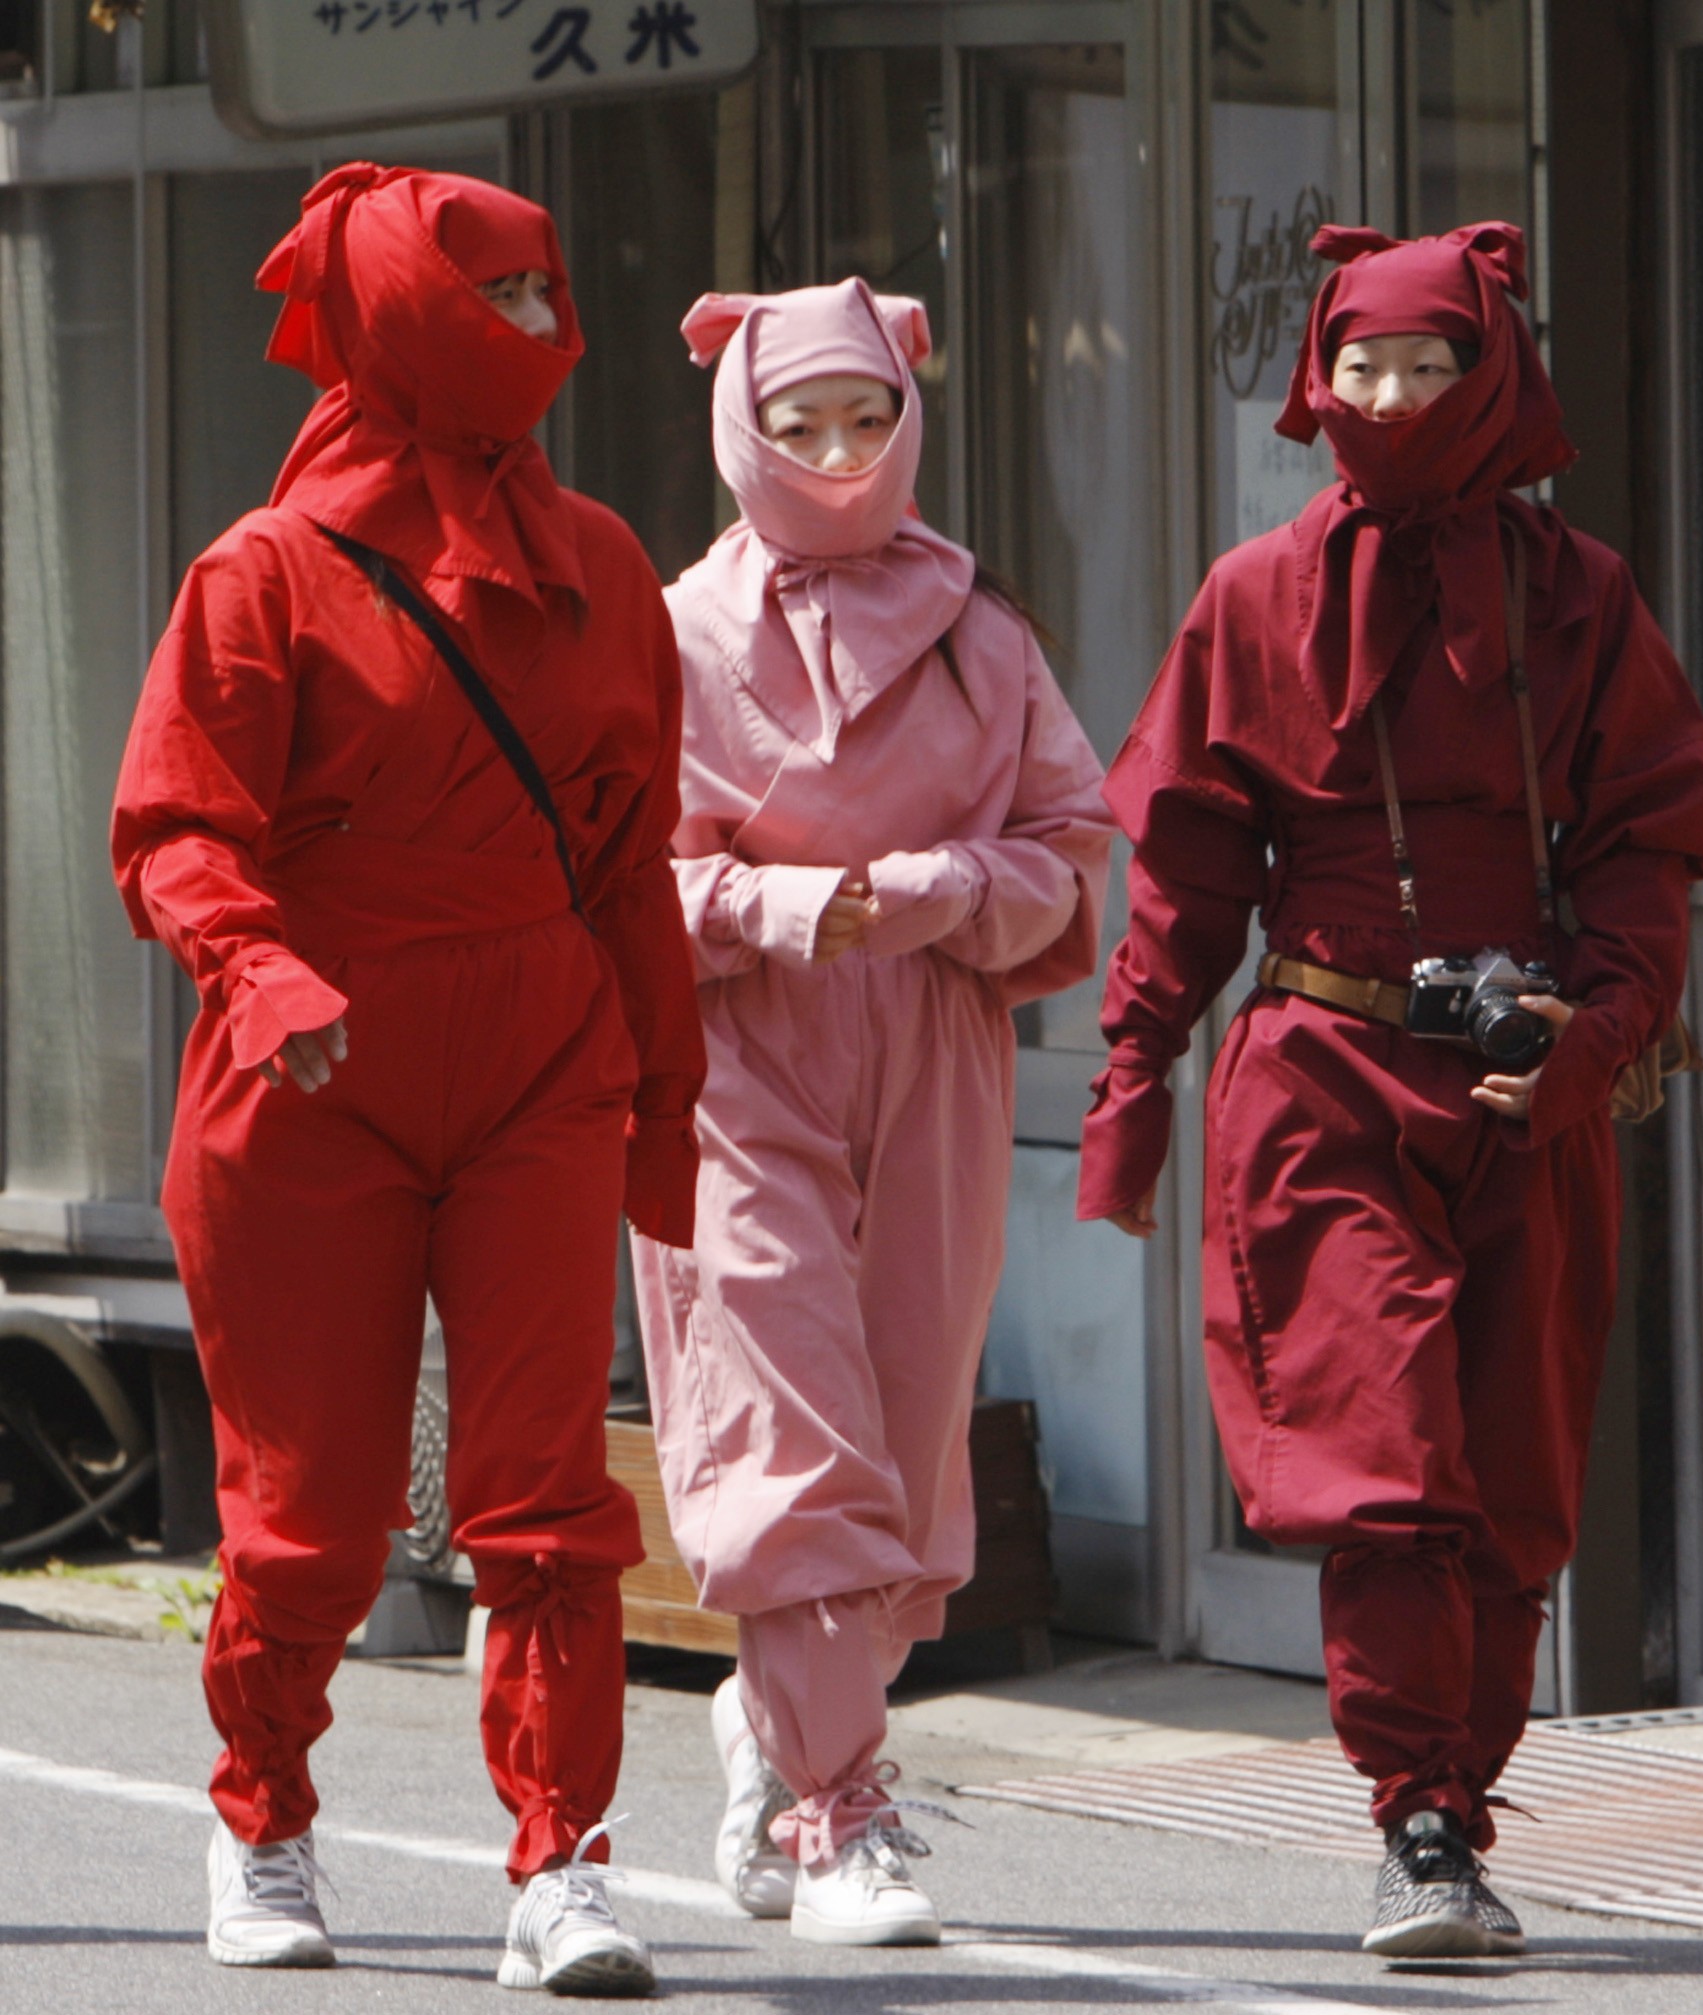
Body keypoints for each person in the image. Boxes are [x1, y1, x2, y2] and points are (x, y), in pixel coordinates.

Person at [1077, 222, 1703, 1957]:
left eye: (1433, 368)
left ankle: (1464, 1801)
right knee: (1385, 1466)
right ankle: (1418, 1819)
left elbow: (1649, 849)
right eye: (1362, 368)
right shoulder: (1254, 597)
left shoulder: (1581, 595)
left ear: (1494, 374)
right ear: (1316, 378)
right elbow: (1191, 866)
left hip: (1532, 1083)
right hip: (1321, 1069)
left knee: (1511, 1483)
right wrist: (1135, 1068)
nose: (1394, 398)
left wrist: (1596, 1031)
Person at [110, 163, 705, 1992]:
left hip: (535, 1049)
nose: (543, 330)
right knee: (315, 1513)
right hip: (312, 1070)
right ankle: (264, 1817)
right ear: (396, 314)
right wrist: (263, 967)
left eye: (545, 294)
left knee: (544, 1493)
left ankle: (563, 1862)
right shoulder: (264, 572)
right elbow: (171, 831)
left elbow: (626, 863)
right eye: (501, 299)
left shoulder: (604, 564)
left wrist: (665, 1092)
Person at [631, 280, 1112, 1946]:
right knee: (793, 1425)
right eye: (796, 423)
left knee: (908, 1444)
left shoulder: (983, 632)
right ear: (737, 432)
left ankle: (784, 1724)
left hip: (933, 1050)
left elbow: (1069, 849)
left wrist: (931, 889)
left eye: (864, 420)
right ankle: (842, 1812)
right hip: (740, 1059)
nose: (835, 456)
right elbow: (620, 874)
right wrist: (772, 914)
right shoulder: (677, 633)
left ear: (910, 422)